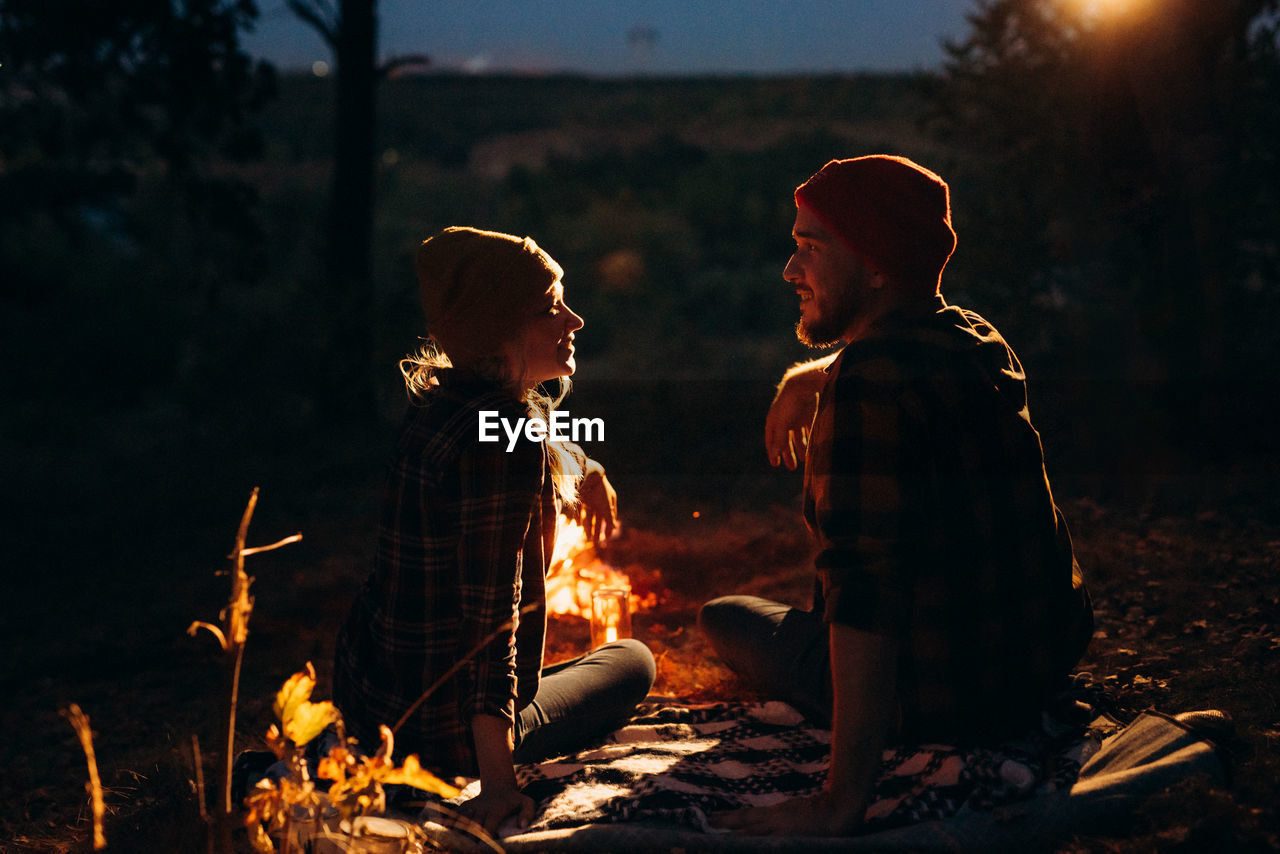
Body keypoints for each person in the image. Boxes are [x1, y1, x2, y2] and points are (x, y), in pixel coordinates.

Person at [700, 156, 1093, 837]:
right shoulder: (976, 339)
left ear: (878, 266)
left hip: (931, 700)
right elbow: (902, 349)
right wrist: (813, 375)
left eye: (810, 250)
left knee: (725, 618)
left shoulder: (868, 389)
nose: (791, 272)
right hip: (1030, 676)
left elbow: (864, 595)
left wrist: (841, 797)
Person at [333, 226, 656, 836]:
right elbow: (490, 618)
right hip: (441, 738)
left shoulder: (440, 403)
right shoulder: (504, 439)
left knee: (589, 663)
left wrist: (587, 466)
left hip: (372, 700)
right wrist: (498, 785)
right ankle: (494, 749)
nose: (575, 319)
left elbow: (518, 440)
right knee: (633, 660)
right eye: (550, 307)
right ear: (499, 331)